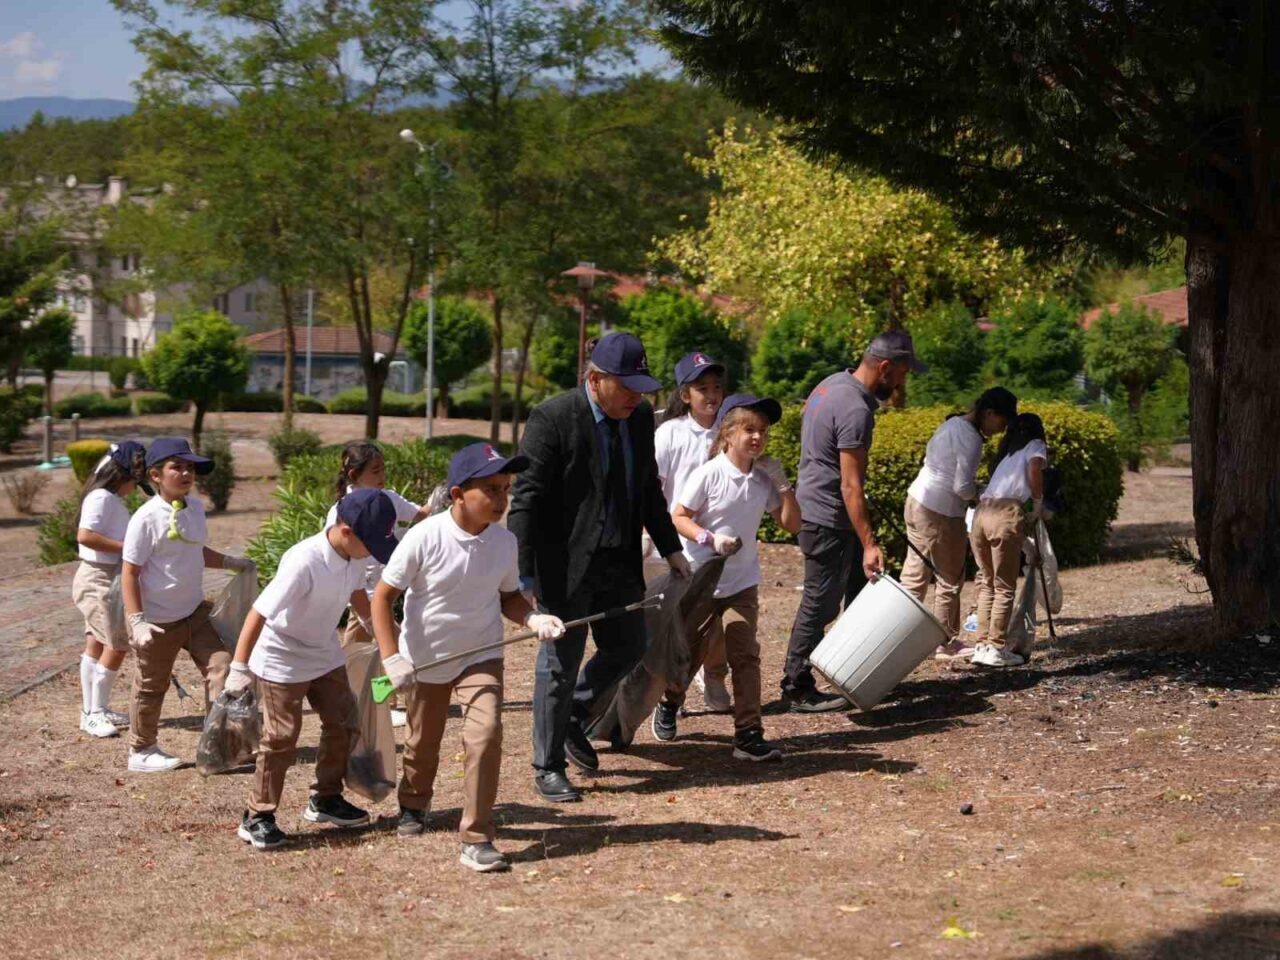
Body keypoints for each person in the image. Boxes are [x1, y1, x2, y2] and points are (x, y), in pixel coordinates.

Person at [509, 332, 690, 804]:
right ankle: (547, 767)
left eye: (642, 388)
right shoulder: (554, 417)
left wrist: (670, 547)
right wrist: (521, 574)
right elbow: (525, 499)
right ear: (595, 379)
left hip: (617, 559)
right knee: (558, 667)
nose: (637, 397)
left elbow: (648, 489)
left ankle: (574, 714)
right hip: (563, 566)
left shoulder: (638, 419)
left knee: (630, 644)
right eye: (627, 387)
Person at [373, 443, 566, 872]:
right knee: (423, 744)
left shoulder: (504, 541)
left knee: (485, 733)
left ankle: (477, 836)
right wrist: (392, 658)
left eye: (505, 489)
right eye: (490, 490)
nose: (501, 500)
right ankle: (413, 803)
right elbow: (382, 598)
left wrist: (533, 619)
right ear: (458, 494)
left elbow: (508, 597)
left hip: (481, 656)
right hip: (424, 659)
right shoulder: (424, 537)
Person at [227, 487, 398, 851]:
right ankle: (257, 815)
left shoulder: (354, 557)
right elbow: (259, 611)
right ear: (346, 530)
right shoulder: (303, 561)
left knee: (344, 721)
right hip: (281, 655)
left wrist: (387, 641)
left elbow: (358, 598)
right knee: (281, 738)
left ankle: (325, 798)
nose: (372, 553)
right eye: (369, 543)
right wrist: (239, 666)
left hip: (322, 651)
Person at [778, 331, 923, 711]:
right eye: (903, 373)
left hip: (814, 508)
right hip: (827, 518)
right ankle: (797, 685)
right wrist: (870, 542)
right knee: (821, 603)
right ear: (886, 367)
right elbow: (851, 486)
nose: (903, 382)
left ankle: (852, 670)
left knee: (857, 596)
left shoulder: (831, 384)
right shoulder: (857, 409)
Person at [654, 394, 802, 759]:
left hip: (741, 583)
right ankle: (670, 702)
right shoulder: (709, 474)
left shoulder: (763, 479)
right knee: (687, 652)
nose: (757, 438)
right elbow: (678, 516)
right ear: (728, 433)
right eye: (749, 429)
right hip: (701, 578)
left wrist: (783, 485)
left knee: (745, 654)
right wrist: (709, 538)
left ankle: (748, 734)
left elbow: (792, 523)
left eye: (763, 432)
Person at [121, 437, 254, 772]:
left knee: (223, 667)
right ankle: (141, 750)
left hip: (194, 612)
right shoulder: (145, 518)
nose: (185, 473)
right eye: (176, 466)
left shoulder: (193, 508)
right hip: (155, 619)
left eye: (190, 467)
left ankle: (218, 745)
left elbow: (196, 550)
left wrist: (230, 562)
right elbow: (130, 572)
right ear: (155, 475)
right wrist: (137, 620)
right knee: (152, 686)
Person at [901, 387, 1018, 659]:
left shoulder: (952, 423)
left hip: (916, 499)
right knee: (949, 578)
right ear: (989, 413)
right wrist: (984, 493)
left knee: (914, 575)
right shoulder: (971, 438)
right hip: (941, 511)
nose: (1000, 430)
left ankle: (900, 638)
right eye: (1001, 422)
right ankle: (945, 641)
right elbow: (962, 486)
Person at [324, 440, 429, 728]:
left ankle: (365, 697)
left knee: (369, 645)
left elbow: (420, 514)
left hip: (386, 587)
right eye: (375, 470)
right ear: (355, 475)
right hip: (360, 591)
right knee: (381, 643)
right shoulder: (341, 511)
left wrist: (440, 503)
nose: (382, 475)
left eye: (383, 468)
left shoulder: (389, 498)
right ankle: (375, 700)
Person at [655, 351, 732, 713]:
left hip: (725, 544)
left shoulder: (731, 430)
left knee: (719, 618)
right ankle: (670, 688)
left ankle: (714, 675)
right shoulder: (670, 433)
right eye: (703, 388)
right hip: (681, 545)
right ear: (686, 394)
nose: (712, 395)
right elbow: (655, 489)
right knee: (678, 623)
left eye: (717, 387)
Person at [73, 440, 150, 739]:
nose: (134, 488)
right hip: (99, 578)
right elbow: (86, 535)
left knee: (95, 643)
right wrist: (129, 549)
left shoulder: (108, 498)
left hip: (103, 576)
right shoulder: (101, 498)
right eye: (135, 481)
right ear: (122, 475)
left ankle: (94, 708)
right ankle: (93, 713)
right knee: (116, 645)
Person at [969, 413, 1048, 668]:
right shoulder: (1035, 446)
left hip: (981, 514)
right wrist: (1037, 501)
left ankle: (981, 645)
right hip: (1005, 512)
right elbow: (1035, 468)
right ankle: (996, 647)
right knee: (1004, 586)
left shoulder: (1007, 454)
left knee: (988, 583)